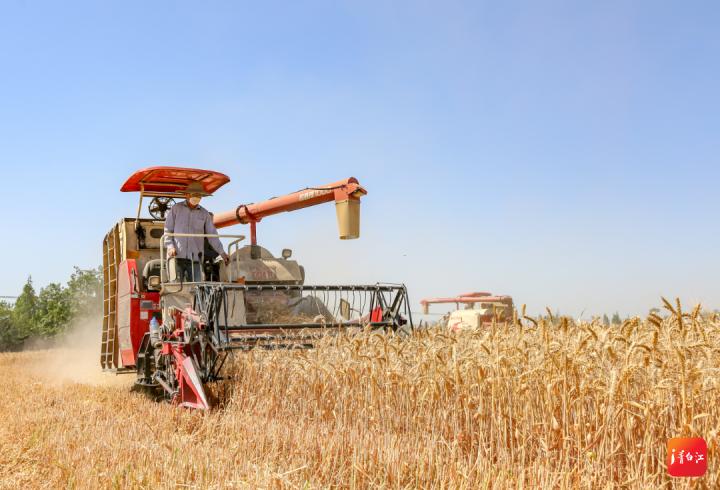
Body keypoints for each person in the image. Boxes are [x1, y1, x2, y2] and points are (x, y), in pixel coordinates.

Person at [164, 181, 229, 282]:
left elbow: (212, 235)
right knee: (175, 287)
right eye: (194, 195)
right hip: (176, 256)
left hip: (195, 258)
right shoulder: (176, 209)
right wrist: (170, 247)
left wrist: (222, 253)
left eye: (199, 195)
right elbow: (168, 229)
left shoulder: (204, 214)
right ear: (187, 195)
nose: (197, 198)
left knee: (197, 288)